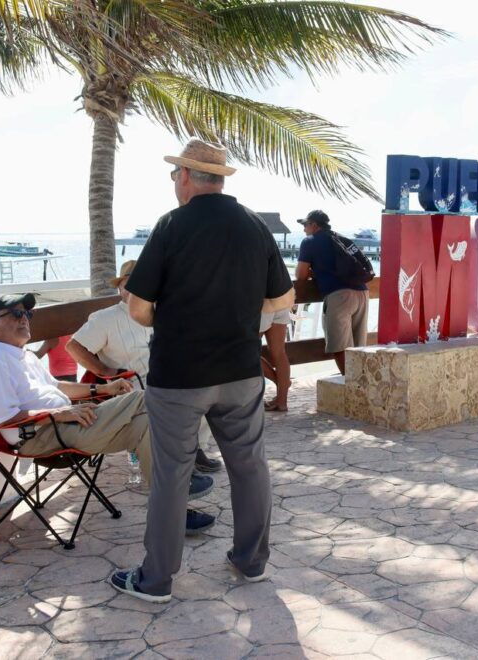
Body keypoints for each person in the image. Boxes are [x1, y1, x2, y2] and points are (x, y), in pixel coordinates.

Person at [109, 138, 294, 603]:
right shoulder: (254, 224)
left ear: (187, 176)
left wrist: (172, 319)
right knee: (250, 467)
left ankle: (156, 580)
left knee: (171, 474)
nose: (175, 181)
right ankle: (251, 562)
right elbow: (283, 298)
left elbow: (137, 307)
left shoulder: (171, 225)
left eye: (175, 174)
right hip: (241, 371)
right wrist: (241, 314)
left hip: (179, 374)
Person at [0, 293, 216, 534]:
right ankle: (186, 476)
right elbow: (6, 418)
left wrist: (102, 389)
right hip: (40, 435)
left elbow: (57, 386)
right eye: (16, 313)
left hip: (68, 424)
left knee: (147, 426)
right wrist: (59, 413)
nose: (24, 318)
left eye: (27, 313)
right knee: (144, 398)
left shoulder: (25, 355)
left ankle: (172, 514)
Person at [65, 259, 223, 473]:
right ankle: (176, 455)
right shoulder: (105, 318)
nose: (135, 289)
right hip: (132, 385)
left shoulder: (161, 312)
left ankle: (194, 449)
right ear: (120, 288)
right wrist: (105, 371)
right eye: (128, 284)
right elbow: (74, 347)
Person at [295, 210, 369, 375]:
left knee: (339, 346)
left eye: (305, 225)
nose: (304, 229)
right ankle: (360, 383)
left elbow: (300, 275)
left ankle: (350, 384)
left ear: (314, 225)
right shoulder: (341, 238)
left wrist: (314, 272)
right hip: (362, 293)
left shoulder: (309, 242)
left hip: (339, 295)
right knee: (358, 347)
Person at [259, 308, 291, 411]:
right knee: (279, 353)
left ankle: (281, 382)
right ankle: (282, 401)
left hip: (261, 306)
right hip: (281, 303)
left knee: (248, 352)